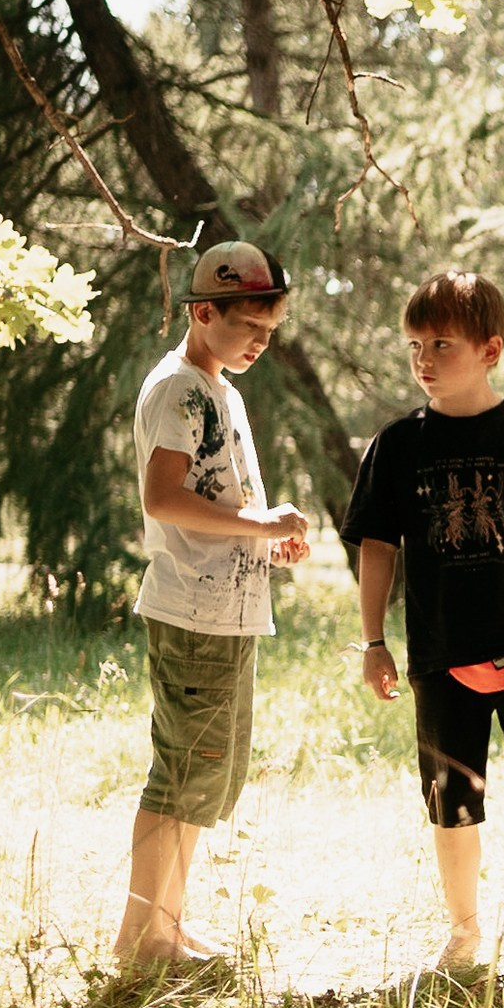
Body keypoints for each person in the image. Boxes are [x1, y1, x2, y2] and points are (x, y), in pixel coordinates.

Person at [346, 270, 504, 970]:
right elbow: (376, 546)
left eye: (442, 344)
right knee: (451, 801)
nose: (424, 359)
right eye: (414, 344)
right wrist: (373, 640)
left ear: (490, 349)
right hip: (440, 654)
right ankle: (464, 932)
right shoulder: (396, 446)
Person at [119, 241, 311, 967]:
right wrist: (258, 524)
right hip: (191, 612)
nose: (260, 344)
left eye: (269, 332)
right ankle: (139, 939)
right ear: (204, 312)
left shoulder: (220, 391)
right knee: (181, 769)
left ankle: (166, 923)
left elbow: (219, 501)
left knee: (209, 774)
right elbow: (162, 496)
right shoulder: (178, 388)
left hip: (230, 611)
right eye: (248, 329)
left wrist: (266, 539)